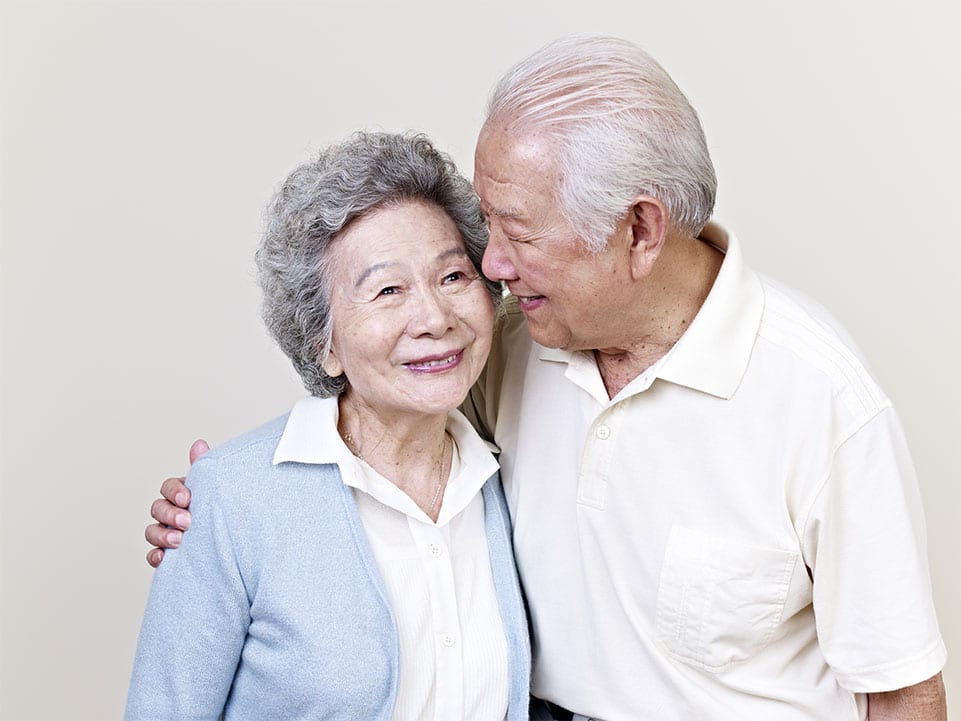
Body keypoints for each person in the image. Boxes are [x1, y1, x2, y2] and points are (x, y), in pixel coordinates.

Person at [145, 35, 948, 721]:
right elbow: (375, 405)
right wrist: (222, 510)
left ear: (638, 230)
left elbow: (903, 691)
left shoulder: (820, 399)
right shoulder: (509, 345)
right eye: (485, 224)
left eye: (515, 231)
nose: (488, 266)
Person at [126, 131, 531, 721]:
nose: (435, 318)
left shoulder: (508, 479)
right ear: (324, 344)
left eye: (453, 277)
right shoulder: (231, 500)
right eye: (387, 290)